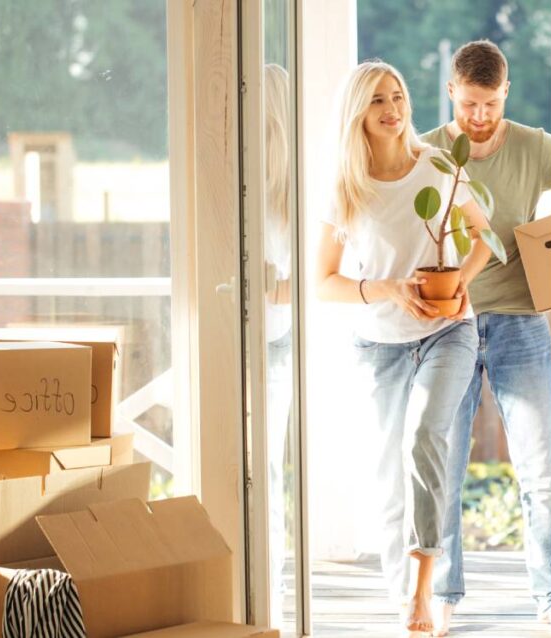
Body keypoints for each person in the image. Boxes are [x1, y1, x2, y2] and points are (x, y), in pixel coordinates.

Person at [420, 40, 551, 634]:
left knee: (542, 470)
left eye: (489, 104)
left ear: (505, 93)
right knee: (443, 467)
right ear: (451, 93)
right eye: (468, 104)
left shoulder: (537, 146)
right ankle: (443, 595)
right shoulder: (429, 152)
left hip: (520, 323)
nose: (479, 117)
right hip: (448, 327)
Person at [316, 60, 496, 634]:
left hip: (447, 332)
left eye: (397, 96)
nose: (392, 109)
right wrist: (389, 289)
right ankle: (405, 597)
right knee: (389, 476)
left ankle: (426, 594)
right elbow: (324, 281)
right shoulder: (346, 187)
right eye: (376, 101)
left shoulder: (439, 164)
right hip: (379, 346)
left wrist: (462, 279)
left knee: (425, 440)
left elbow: (484, 236)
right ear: (357, 114)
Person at [263, 62, 294, 628]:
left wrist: (267, 283)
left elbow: (305, 284)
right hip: (240, 342)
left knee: (264, 472)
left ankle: (268, 588)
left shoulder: (292, 197)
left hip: (272, 346)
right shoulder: (237, 186)